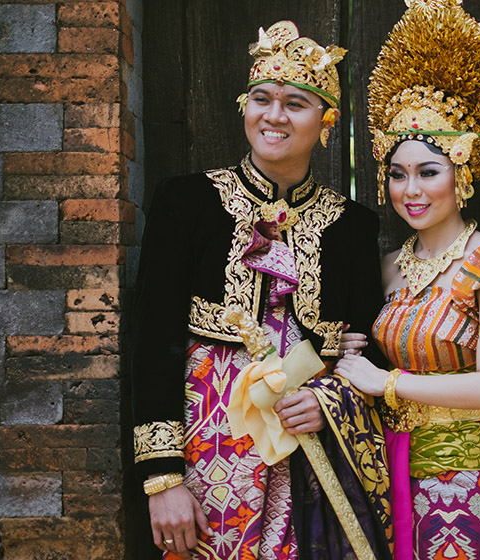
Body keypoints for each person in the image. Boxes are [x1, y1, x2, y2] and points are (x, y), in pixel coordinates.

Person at [130, 20, 391, 560]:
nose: (274, 116)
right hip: (210, 441)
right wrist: (162, 476)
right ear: (244, 106)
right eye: (261, 98)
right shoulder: (186, 202)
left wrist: (329, 405)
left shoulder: (353, 226)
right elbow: (154, 339)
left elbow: (366, 346)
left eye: (295, 103)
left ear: (327, 121)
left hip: (310, 437)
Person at [334, 2, 480, 560]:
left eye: (429, 172)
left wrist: (382, 382)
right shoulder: (389, 268)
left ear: (462, 174)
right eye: (398, 174)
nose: (412, 190)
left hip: (462, 485)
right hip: (388, 469)